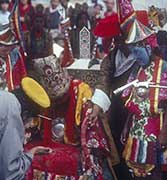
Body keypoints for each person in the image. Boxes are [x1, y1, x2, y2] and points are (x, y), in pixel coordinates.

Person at [25, 41, 119, 179]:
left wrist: (86, 152)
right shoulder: (42, 97)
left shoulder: (80, 91)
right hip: (53, 140)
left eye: (61, 97)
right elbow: (36, 122)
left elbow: (91, 130)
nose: (58, 101)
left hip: (78, 142)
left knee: (90, 164)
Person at [120, 18, 167, 179]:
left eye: (136, 51)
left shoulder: (166, 68)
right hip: (136, 128)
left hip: (156, 128)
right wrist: (126, 126)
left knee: (155, 171)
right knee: (135, 171)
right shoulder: (137, 69)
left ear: (148, 47)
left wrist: (164, 132)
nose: (134, 56)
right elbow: (131, 99)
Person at [0, 77, 52, 180]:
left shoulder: (5, 97)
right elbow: (11, 173)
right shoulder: (12, 110)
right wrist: (30, 154)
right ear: (26, 113)